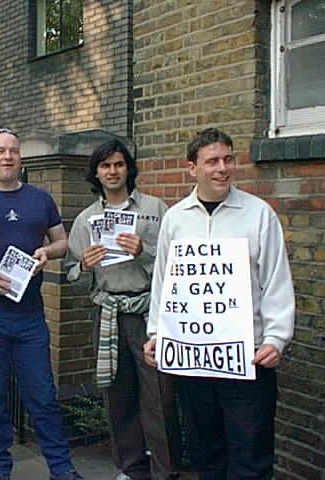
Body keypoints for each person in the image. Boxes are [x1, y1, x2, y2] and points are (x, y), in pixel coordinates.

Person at [144, 128, 295, 479]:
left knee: (251, 455)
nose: (222, 168)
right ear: (192, 167)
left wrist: (276, 338)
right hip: (194, 361)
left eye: (228, 159)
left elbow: (276, 279)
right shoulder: (176, 218)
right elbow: (164, 283)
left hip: (248, 359)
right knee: (205, 453)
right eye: (212, 161)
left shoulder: (259, 214)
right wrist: (157, 333)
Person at [0, 127, 83, 480]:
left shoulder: (40, 199)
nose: (7, 156)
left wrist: (48, 251)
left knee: (43, 396)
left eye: (13, 151)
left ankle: (61, 470)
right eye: (0, 151)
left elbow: (63, 241)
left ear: (21, 158)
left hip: (30, 314)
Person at [66, 139, 181, 480]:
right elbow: (72, 276)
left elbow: (176, 263)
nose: (113, 171)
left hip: (149, 313)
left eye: (118, 164)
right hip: (108, 315)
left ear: (129, 168)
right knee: (117, 397)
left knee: (161, 398)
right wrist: (84, 266)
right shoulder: (87, 219)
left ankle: (167, 472)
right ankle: (131, 469)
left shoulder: (155, 209)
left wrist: (144, 251)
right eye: (105, 166)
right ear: (96, 173)